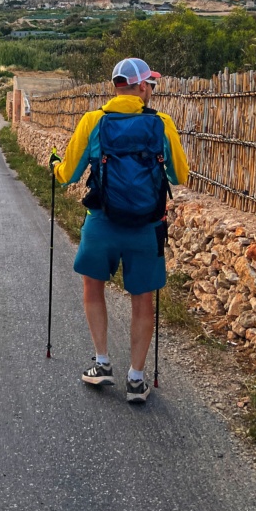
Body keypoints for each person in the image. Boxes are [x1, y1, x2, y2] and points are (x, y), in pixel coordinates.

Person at [50, 58, 189, 403]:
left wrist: (55, 164)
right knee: (143, 298)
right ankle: (137, 379)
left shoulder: (93, 121)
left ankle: (101, 363)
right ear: (142, 87)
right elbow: (180, 176)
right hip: (148, 227)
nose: (152, 90)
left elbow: (67, 174)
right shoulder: (162, 123)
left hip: (102, 223)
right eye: (151, 85)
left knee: (92, 286)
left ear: (116, 86)